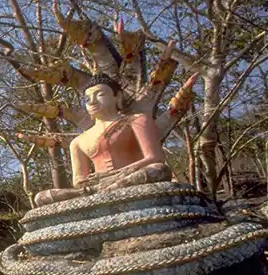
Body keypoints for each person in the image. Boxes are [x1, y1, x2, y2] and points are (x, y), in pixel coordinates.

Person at [33, 76, 171, 206]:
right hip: (97, 186)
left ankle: (106, 190)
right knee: (41, 197)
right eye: (87, 99)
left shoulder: (137, 120)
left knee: (159, 170)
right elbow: (79, 181)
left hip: (131, 178)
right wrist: (92, 183)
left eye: (100, 95)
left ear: (118, 96)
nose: (92, 101)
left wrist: (117, 174)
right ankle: (100, 191)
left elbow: (155, 158)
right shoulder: (78, 141)